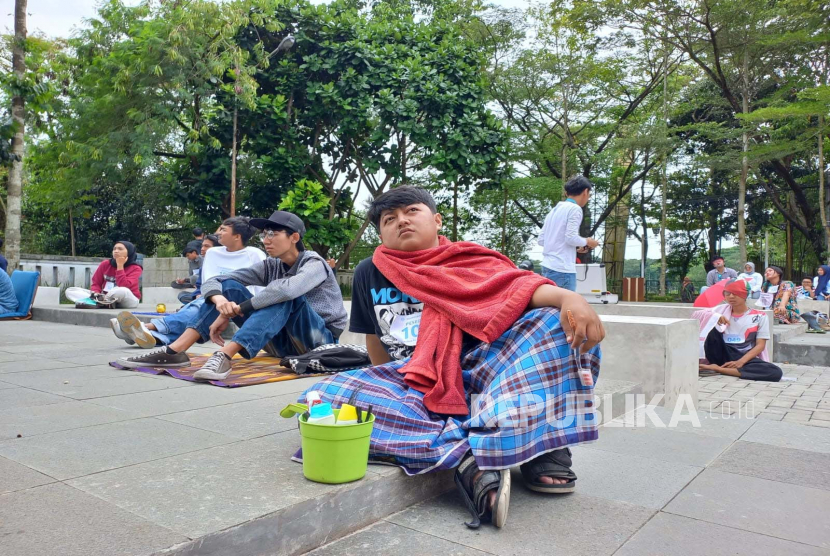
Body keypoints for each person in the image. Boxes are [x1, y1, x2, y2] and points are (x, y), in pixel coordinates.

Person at [297, 187, 604, 529]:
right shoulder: (370, 271)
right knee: (324, 398)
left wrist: (567, 298)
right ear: (380, 233)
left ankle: (541, 447)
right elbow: (374, 337)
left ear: (436, 219)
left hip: (482, 373)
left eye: (411, 211)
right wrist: (390, 393)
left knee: (552, 322)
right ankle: (475, 455)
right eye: (389, 219)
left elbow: (523, 289)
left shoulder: (470, 259)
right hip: (414, 376)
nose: (402, 221)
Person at [116, 210, 348, 382]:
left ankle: (224, 356)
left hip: (318, 343)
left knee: (284, 294)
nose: (266, 240)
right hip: (281, 343)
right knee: (229, 285)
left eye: (273, 234)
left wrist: (240, 308)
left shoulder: (314, 263)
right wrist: (221, 303)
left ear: (294, 237)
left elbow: (287, 290)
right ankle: (174, 352)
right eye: (264, 234)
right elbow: (215, 281)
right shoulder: (270, 266)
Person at [111, 220, 265, 347]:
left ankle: (146, 327)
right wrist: (213, 298)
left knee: (199, 307)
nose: (219, 233)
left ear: (237, 236)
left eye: (224, 230)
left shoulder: (255, 254)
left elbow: (259, 289)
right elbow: (209, 281)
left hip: (238, 305)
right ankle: (153, 336)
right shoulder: (213, 253)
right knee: (199, 305)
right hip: (214, 298)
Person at [696, 279, 782, 382]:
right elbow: (697, 315)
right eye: (728, 293)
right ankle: (728, 368)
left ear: (746, 294)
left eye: (736, 293)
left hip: (743, 356)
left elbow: (760, 345)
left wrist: (740, 362)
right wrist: (714, 318)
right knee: (710, 324)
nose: (731, 296)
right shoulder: (718, 311)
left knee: (775, 372)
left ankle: (718, 369)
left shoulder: (760, 316)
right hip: (721, 351)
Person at [537, 176, 600, 291]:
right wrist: (588, 241)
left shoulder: (554, 210)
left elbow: (541, 240)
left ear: (567, 193)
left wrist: (573, 249)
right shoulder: (575, 209)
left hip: (547, 267)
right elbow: (570, 238)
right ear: (585, 191)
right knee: (567, 307)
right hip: (563, 270)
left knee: (550, 308)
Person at [65, 241, 142, 308]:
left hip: (127, 300)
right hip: (103, 296)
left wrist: (120, 266)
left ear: (129, 252)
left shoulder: (136, 268)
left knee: (122, 290)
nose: (116, 251)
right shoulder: (105, 264)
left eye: (120, 249)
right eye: (114, 249)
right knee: (70, 291)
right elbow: (96, 283)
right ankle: (102, 302)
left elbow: (124, 285)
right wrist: (96, 293)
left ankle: (99, 302)